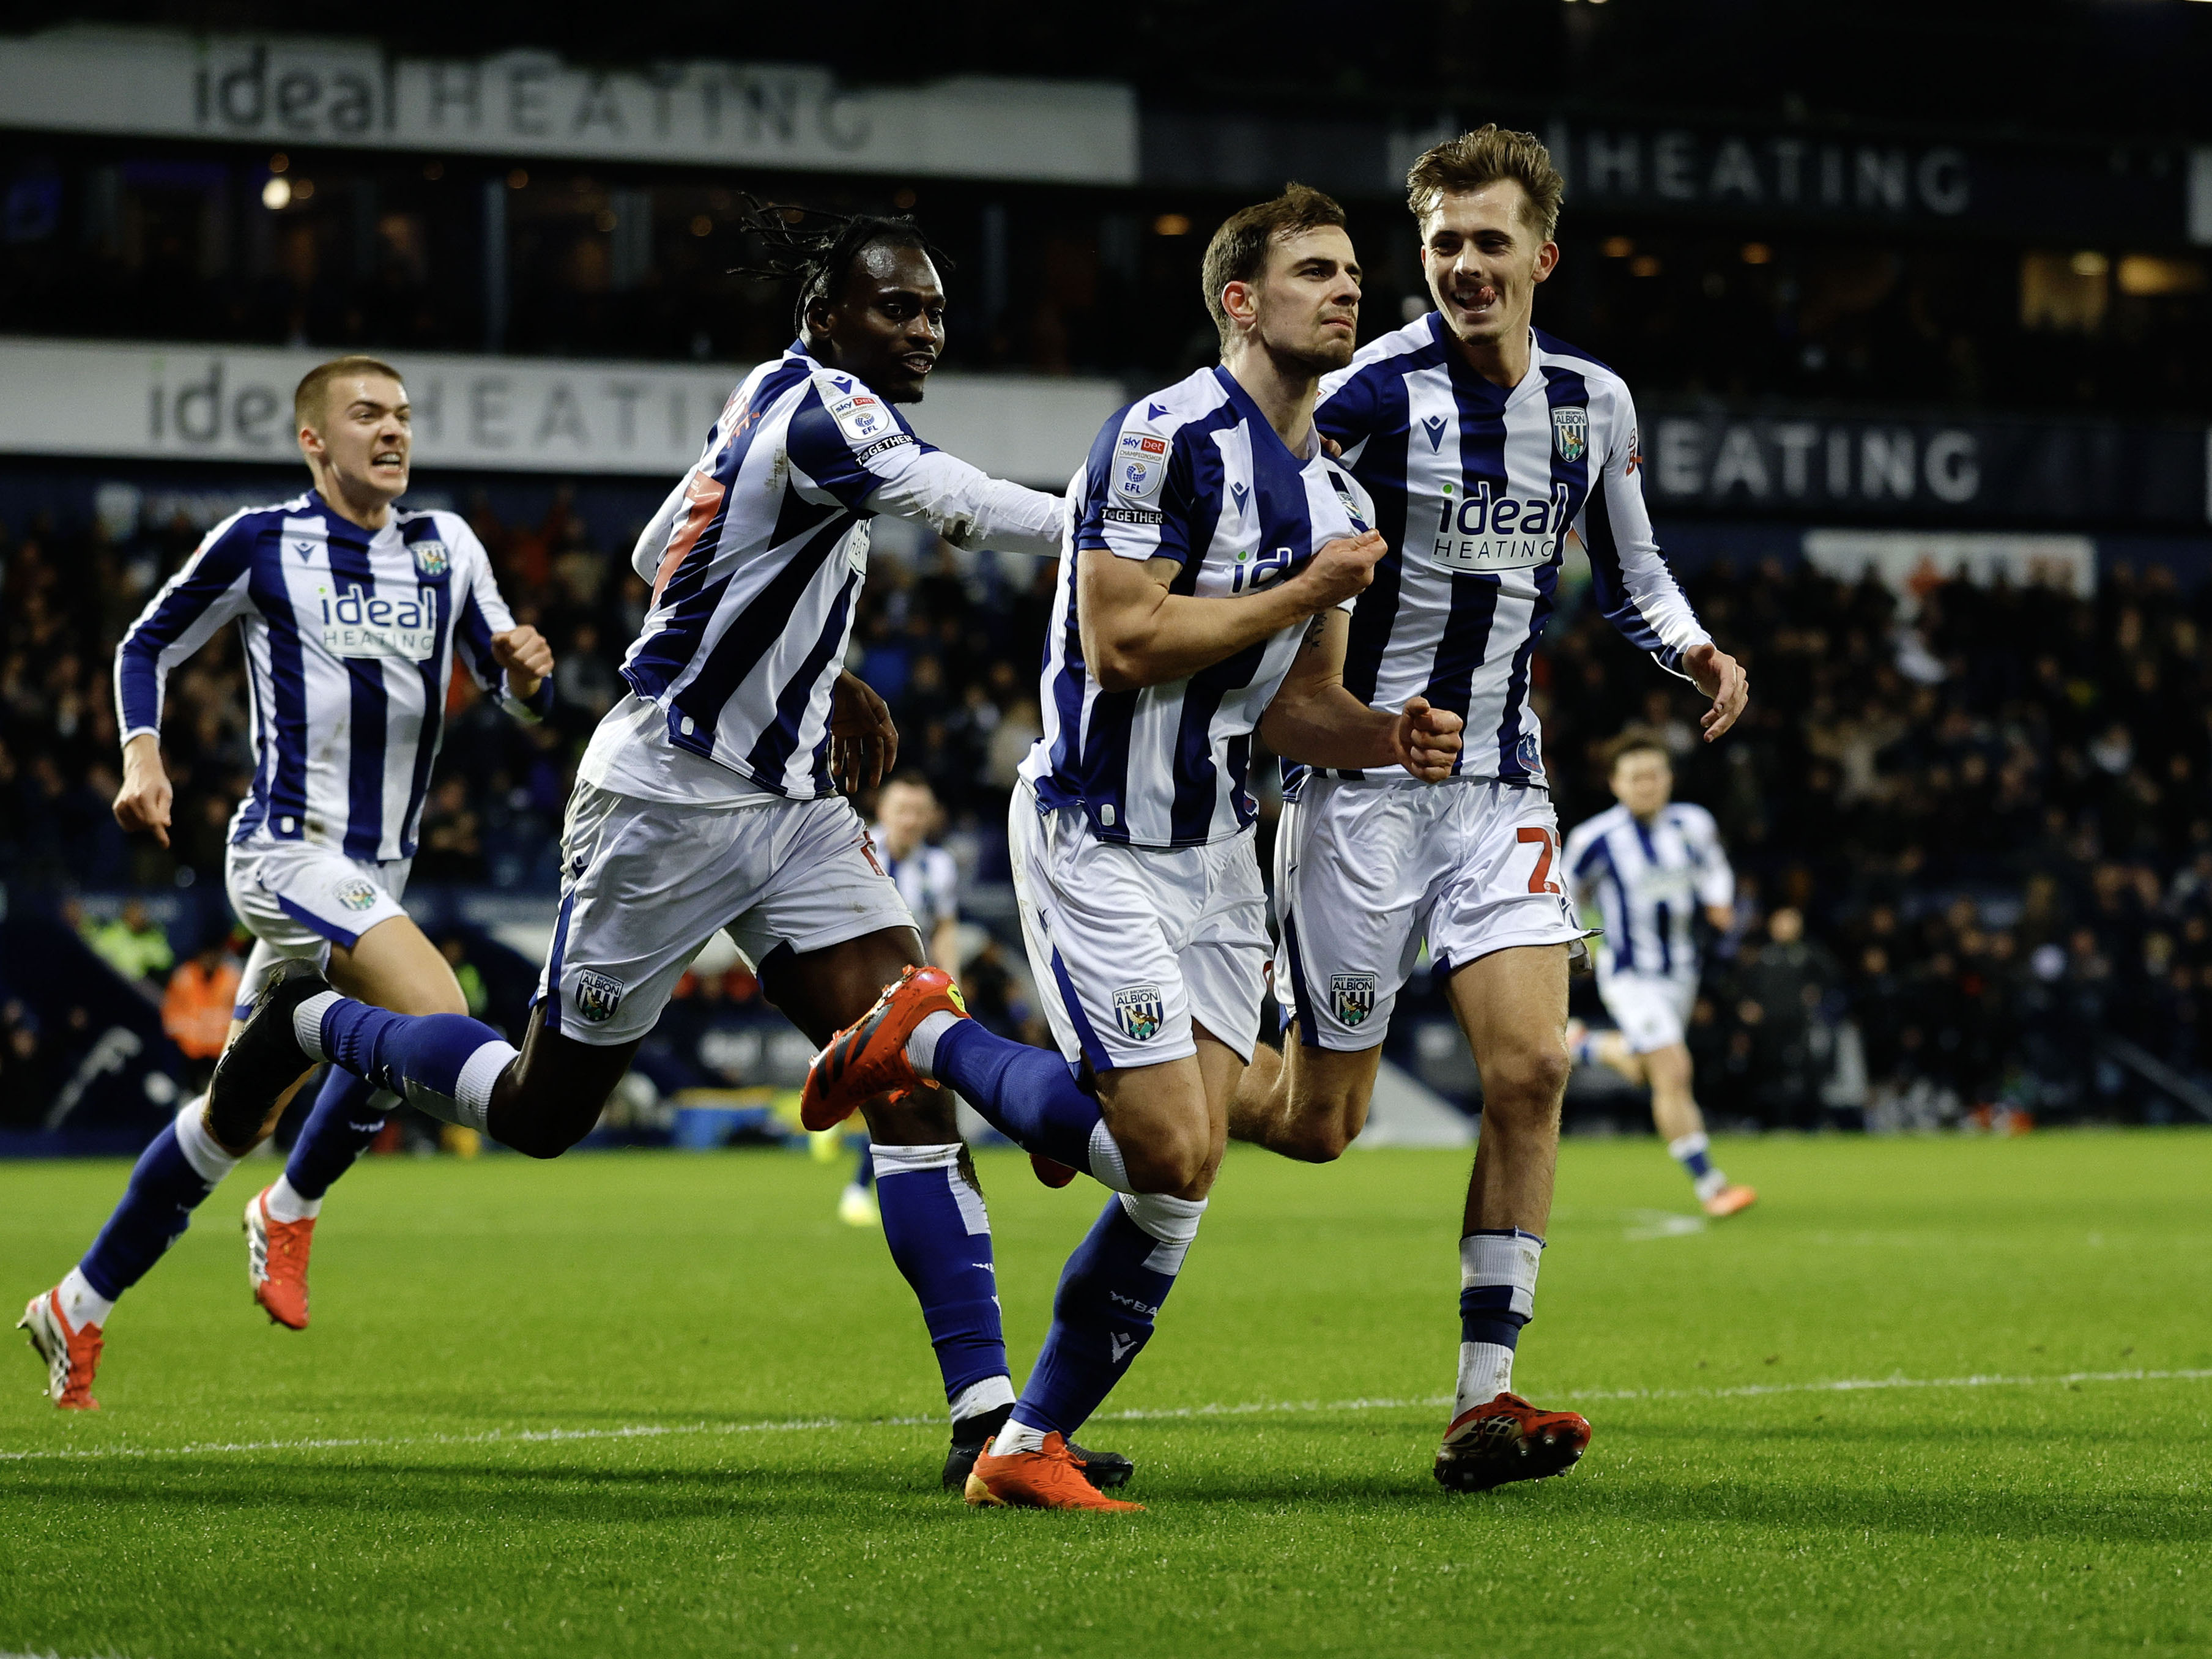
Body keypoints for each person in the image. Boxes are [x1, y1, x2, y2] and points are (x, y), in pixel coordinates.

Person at [201, 206, 1129, 1496]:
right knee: (538, 1113)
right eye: (895, 309)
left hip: (797, 809)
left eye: (933, 312)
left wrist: (818, 663)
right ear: (826, 319)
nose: (923, 330)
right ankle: (316, 1023)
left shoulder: (765, 397)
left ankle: (987, 1420)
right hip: (663, 810)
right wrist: (1128, 521)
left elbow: (657, 554)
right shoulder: (824, 409)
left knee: (903, 1074)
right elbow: (950, 502)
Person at [800, 184, 1464, 1512]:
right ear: (1239, 300)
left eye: (1351, 276)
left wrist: (1392, 736)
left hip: (1219, 855)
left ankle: (1025, 1446)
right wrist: (1302, 590)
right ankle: (924, 1037)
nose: (1346, 293)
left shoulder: (1331, 490)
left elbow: (1293, 705)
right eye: (1315, 274)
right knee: (1167, 1150)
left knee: (1182, 1178)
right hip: (1096, 832)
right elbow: (1123, 640)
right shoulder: (1158, 439)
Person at [1221, 128, 1749, 1492]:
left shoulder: (1592, 405)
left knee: (1534, 1070)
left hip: (1501, 790)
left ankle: (1483, 1396)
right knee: (1316, 1120)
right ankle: (1116, 1091)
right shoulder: (1359, 396)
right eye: (1442, 243)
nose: (1462, 265)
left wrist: (1690, 650)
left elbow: (1630, 572)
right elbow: (1253, 536)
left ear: (1541, 256)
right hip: (1355, 793)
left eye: (1487, 241)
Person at [19, 355, 554, 1409]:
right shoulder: (262, 541)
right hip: (288, 852)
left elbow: (507, 686)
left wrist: (529, 679)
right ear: (315, 440)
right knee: (437, 1014)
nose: (392, 431)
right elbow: (145, 643)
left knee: (230, 1119)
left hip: (379, 868)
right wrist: (143, 757)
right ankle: (299, 1202)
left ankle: (77, 1304)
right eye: (367, 415)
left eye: (402, 415)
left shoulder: (449, 546)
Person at [1563, 735, 1757, 1218]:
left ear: (1669, 778)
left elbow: (1714, 867)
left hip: (1681, 973)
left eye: (1655, 775)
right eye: (1636, 777)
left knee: (1645, 1069)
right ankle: (1712, 1187)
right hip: (1630, 974)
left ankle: (1585, 1045)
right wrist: (1577, 939)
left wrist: (1719, 900)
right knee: (1674, 1069)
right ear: (1615, 784)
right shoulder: (1597, 838)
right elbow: (1566, 891)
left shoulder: (1693, 824)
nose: (1647, 785)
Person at [831, 772, 963, 1228]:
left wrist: (954, 986)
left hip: (912, 995)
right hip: (855, 984)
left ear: (931, 818)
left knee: (906, 1088)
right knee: (876, 1086)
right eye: (901, 809)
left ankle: (861, 1188)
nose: (909, 820)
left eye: (918, 812)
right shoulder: (856, 851)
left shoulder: (939, 868)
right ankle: (842, 1120)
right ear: (882, 812)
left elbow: (943, 929)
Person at [161, 930, 243, 1088]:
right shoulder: (184, 976)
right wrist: (181, 1034)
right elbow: (170, 1011)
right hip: (190, 1050)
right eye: (207, 955)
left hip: (222, 1050)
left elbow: (242, 1013)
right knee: (188, 1095)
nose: (210, 959)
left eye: (214, 955)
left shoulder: (232, 978)